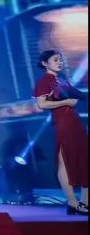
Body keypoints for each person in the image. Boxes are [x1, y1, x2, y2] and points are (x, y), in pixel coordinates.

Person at [33, 50, 88, 216]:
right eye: (55, 60)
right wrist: (66, 102)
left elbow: (80, 96)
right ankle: (72, 202)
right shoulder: (44, 82)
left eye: (60, 60)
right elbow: (42, 105)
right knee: (64, 160)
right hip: (62, 122)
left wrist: (73, 98)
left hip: (75, 121)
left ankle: (84, 202)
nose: (60, 62)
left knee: (84, 158)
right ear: (45, 63)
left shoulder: (62, 81)